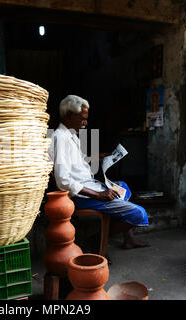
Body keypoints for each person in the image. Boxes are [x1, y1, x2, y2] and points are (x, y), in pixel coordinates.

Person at [48, 94, 150, 254]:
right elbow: (63, 180)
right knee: (139, 214)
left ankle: (128, 239)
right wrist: (98, 194)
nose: (85, 123)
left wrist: (93, 158)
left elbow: (74, 164)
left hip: (91, 186)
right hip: (81, 197)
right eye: (82, 118)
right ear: (68, 115)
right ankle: (96, 240)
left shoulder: (70, 135)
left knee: (123, 187)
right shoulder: (60, 138)